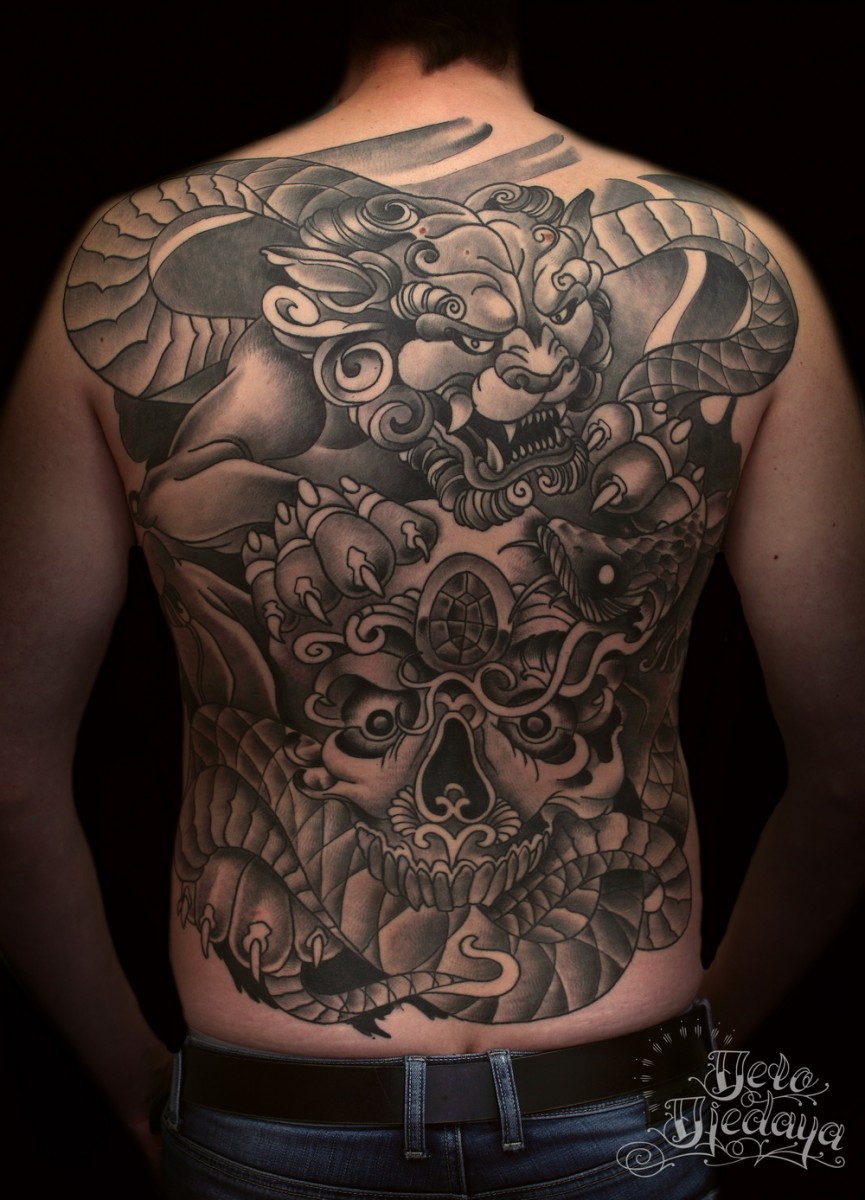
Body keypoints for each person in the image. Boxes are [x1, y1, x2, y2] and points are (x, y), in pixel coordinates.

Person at [1, 5, 862, 1196]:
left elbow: (6, 779)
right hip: (615, 1102)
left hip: (275, 1116)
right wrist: (690, 1062)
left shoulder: (114, 254)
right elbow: (848, 778)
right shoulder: (755, 264)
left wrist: (130, 1079)